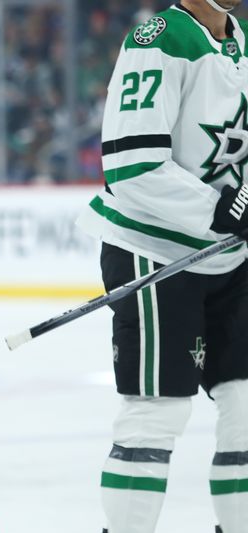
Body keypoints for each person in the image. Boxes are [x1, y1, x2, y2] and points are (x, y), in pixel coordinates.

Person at [76, 1, 248, 532]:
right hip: (155, 251)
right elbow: (132, 165)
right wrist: (222, 209)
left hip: (229, 255)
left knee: (246, 404)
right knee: (158, 411)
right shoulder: (159, 41)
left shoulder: (237, 39)